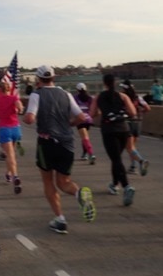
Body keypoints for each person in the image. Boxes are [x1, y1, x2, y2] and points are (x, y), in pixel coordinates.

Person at [23, 65, 96, 234]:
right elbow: (80, 117)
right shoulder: (66, 94)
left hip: (47, 143)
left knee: (48, 181)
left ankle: (60, 219)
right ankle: (78, 194)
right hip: (67, 143)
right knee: (64, 182)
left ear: (38, 79)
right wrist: (69, 124)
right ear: (54, 78)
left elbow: (30, 118)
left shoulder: (36, 94)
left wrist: (26, 116)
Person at [89, 74, 138, 206]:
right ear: (115, 83)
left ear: (104, 83)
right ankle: (114, 185)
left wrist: (102, 111)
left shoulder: (99, 97)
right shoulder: (123, 96)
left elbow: (92, 114)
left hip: (109, 131)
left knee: (116, 159)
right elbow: (133, 113)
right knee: (116, 158)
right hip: (124, 129)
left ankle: (126, 186)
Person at [0, 80, 25, 194]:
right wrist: (17, 109)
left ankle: (15, 176)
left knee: (9, 154)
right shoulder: (14, 98)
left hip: (4, 129)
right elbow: (20, 108)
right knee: (11, 154)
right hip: (15, 128)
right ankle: (8, 173)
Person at [120, 80, 151, 176]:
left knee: (129, 147)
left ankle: (141, 161)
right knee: (133, 147)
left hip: (128, 123)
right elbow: (148, 108)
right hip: (137, 123)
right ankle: (133, 167)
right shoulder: (138, 98)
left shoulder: (124, 98)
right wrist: (140, 113)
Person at [73, 83, 96, 165]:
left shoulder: (75, 98)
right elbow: (93, 109)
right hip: (88, 120)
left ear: (77, 90)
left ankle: (91, 154)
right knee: (85, 137)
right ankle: (84, 154)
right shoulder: (90, 98)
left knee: (85, 138)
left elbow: (73, 108)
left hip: (80, 119)